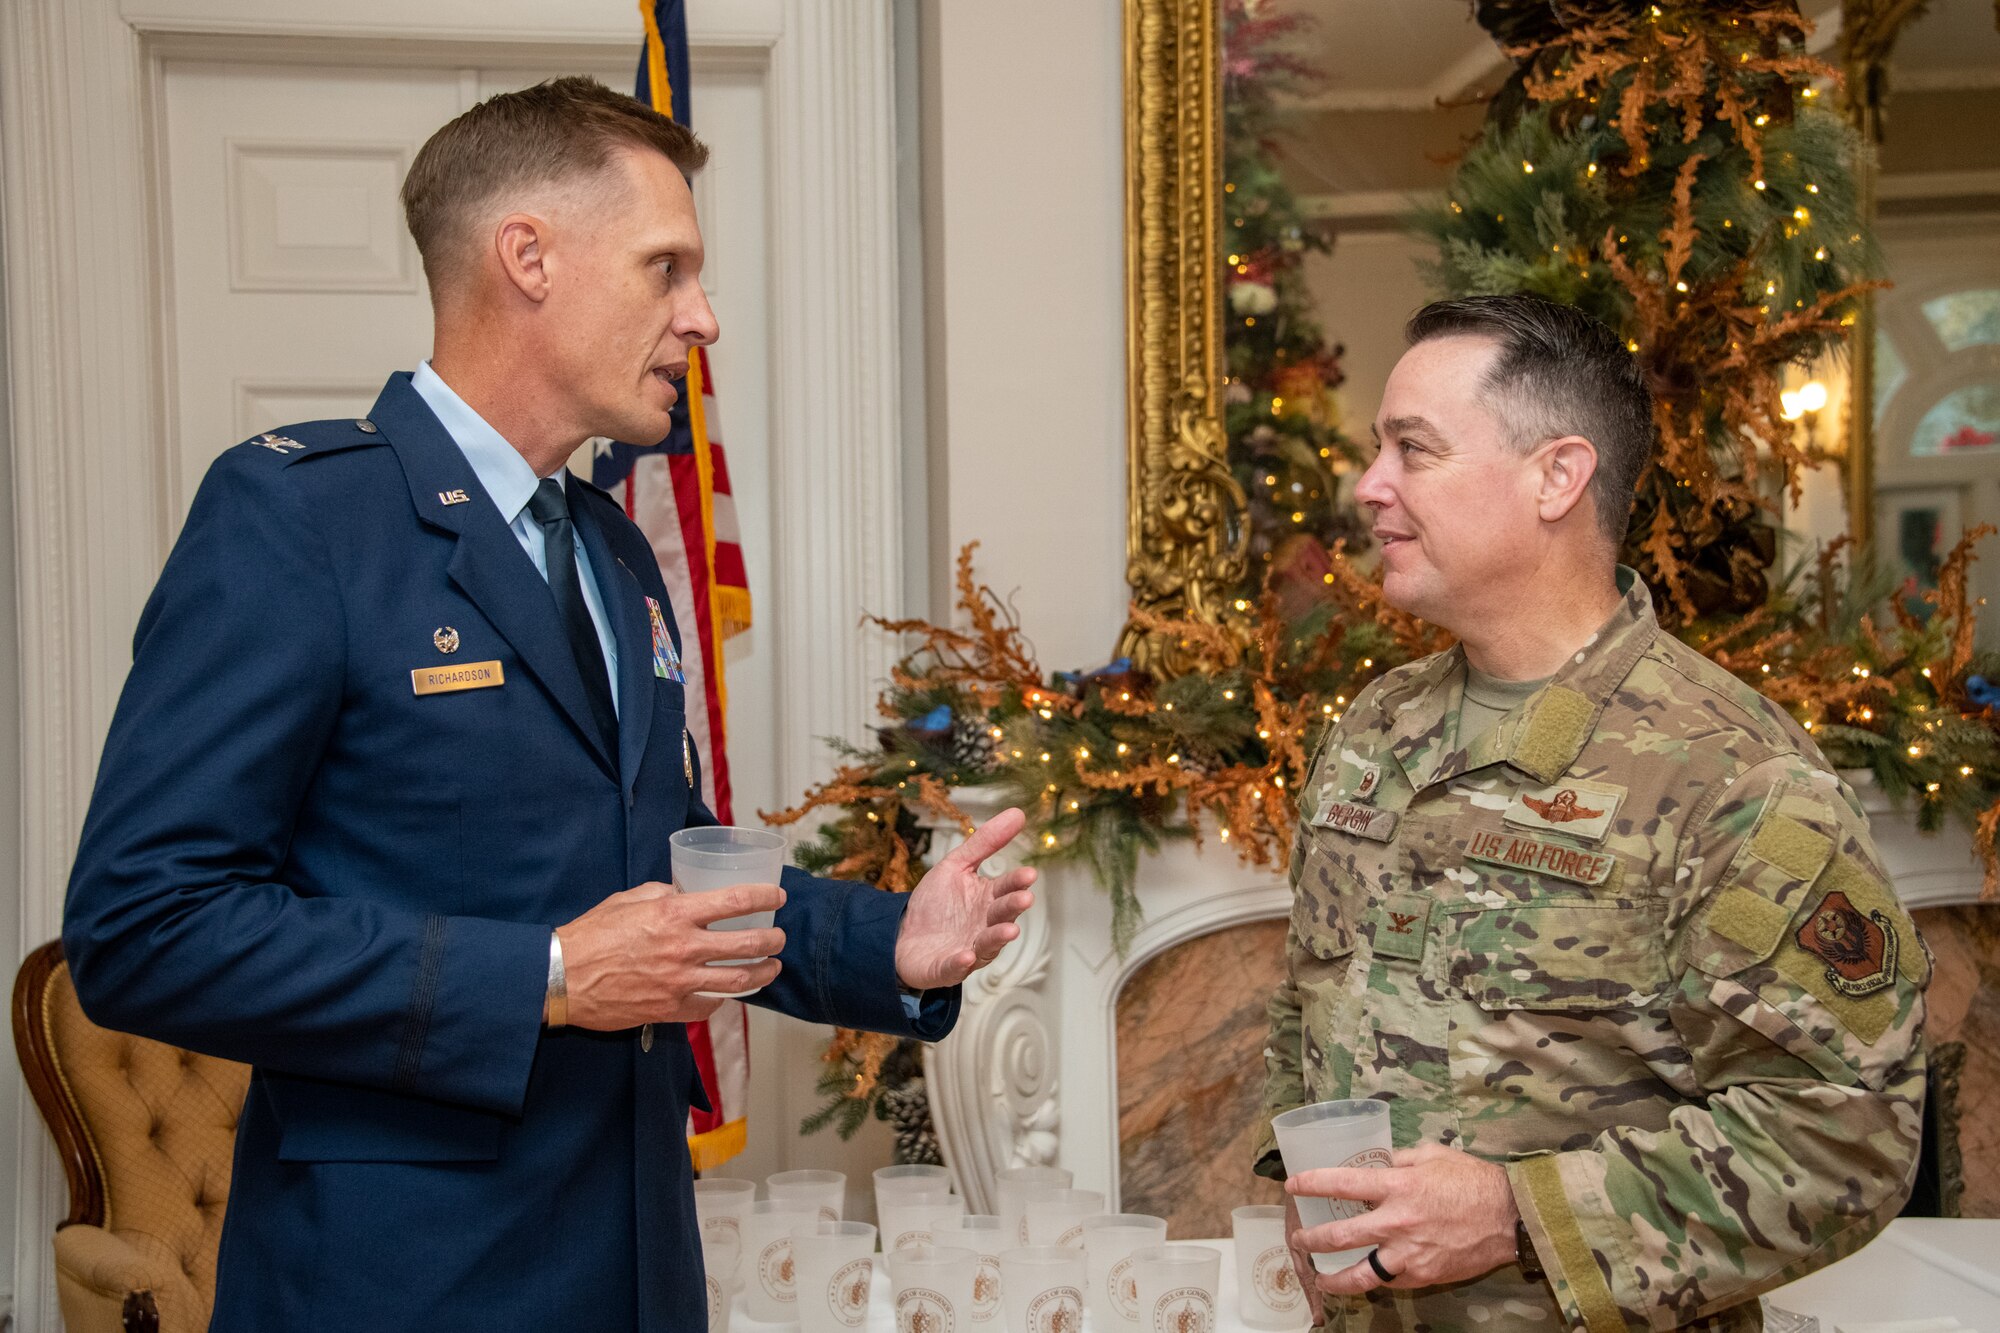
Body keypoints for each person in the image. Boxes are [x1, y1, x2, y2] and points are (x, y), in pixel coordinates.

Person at [62, 76, 1036, 1332]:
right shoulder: (301, 520)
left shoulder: (610, 551)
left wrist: (892, 944)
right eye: (666, 266)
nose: (704, 317)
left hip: (632, 1266)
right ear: (527, 256)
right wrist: (552, 970)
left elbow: (678, 879)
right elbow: (146, 925)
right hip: (403, 1284)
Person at [1254, 293, 1927, 1332]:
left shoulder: (1727, 773)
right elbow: (1309, 1005)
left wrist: (1513, 1214)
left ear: (1555, 477)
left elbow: (1845, 1134)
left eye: (1411, 449)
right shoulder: (1376, 731)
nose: (1367, 486)